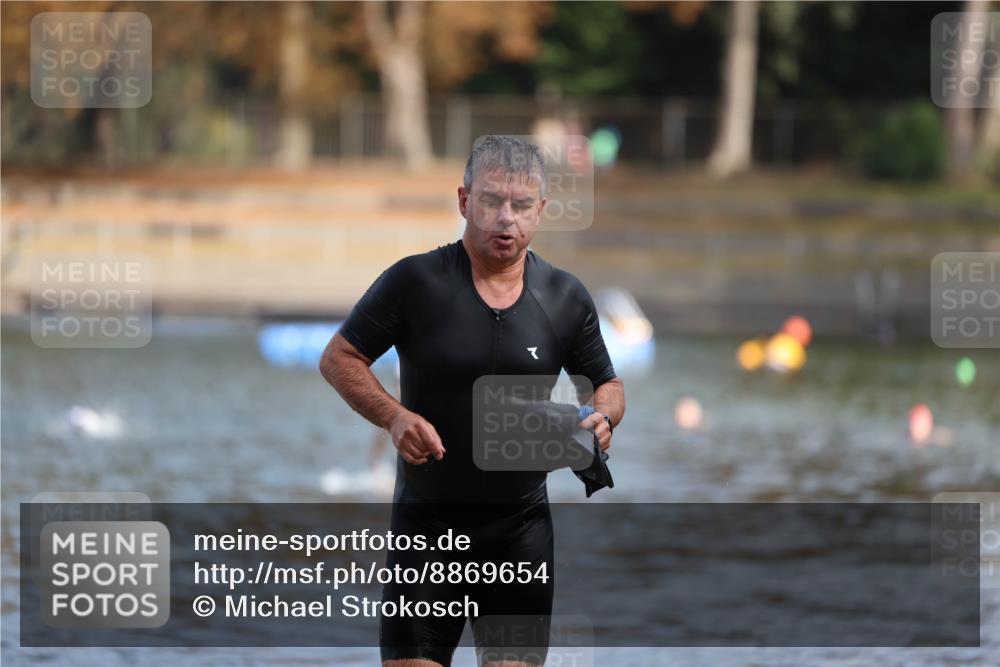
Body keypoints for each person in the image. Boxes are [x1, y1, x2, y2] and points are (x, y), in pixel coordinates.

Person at [319, 135, 625, 667]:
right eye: (491, 202)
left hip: (520, 535)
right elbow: (340, 357)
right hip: (428, 528)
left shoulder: (564, 297)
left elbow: (608, 384)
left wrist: (601, 418)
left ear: (541, 210)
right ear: (464, 201)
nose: (506, 219)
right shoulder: (416, 282)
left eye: (521, 205)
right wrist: (394, 416)